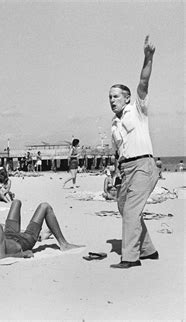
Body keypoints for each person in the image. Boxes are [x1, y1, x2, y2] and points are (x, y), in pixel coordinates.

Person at [109, 36, 159, 269]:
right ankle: (148, 250)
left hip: (143, 166)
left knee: (131, 210)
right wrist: (115, 176)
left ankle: (130, 257)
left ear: (127, 98)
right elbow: (119, 153)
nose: (112, 100)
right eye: (110, 97)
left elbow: (143, 81)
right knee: (123, 207)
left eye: (116, 96)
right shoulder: (114, 124)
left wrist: (148, 57)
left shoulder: (137, 109)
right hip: (126, 169)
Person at [0, 200, 83, 260]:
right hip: (24, 241)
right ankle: (63, 244)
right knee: (45, 206)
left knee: (16, 202)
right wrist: (22, 254)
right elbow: (1, 257)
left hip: (8, 235)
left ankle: (45, 234)